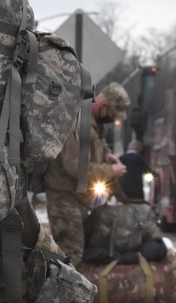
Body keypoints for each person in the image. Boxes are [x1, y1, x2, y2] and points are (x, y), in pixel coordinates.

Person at [44, 82, 130, 266]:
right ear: (104, 105)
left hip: (78, 197)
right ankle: (59, 293)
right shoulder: (79, 124)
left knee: (79, 251)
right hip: (64, 197)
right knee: (70, 254)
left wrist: (108, 157)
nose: (113, 118)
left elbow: (98, 145)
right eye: (114, 113)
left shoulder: (95, 124)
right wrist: (110, 171)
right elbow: (74, 165)